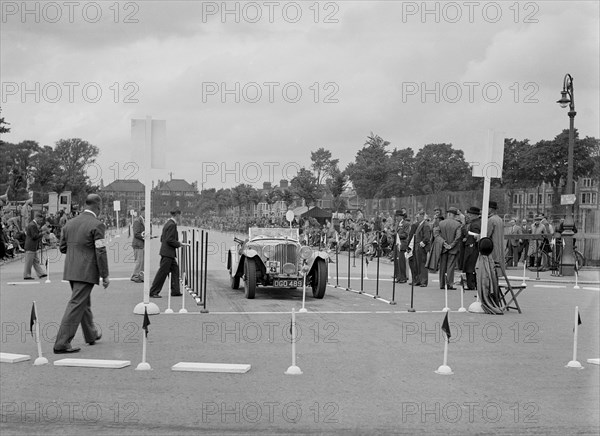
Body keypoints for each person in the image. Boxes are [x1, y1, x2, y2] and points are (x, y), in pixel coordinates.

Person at [54, 194, 109, 354]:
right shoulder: (97, 225)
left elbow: (63, 248)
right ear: (98, 206)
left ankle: (90, 334)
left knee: (82, 302)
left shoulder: (70, 223)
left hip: (71, 269)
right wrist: (104, 274)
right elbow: (100, 251)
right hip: (86, 270)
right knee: (77, 303)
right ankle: (62, 342)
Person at [150, 209, 185, 298]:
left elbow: (163, 238)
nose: (181, 218)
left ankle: (175, 290)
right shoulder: (172, 225)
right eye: (180, 216)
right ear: (177, 215)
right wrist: (178, 244)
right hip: (168, 253)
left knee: (175, 270)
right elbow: (170, 239)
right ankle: (154, 291)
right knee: (162, 273)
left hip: (167, 252)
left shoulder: (167, 224)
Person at [437, 207, 463, 290]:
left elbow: (436, 235)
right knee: (450, 267)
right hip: (453, 249)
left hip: (443, 248)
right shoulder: (458, 224)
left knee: (442, 266)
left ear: (448, 214)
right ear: (454, 215)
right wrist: (451, 245)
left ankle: (442, 284)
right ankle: (449, 284)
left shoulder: (441, 223)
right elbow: (458, 237)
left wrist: (444, 243)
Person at [408, 210, 431, 287]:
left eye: (419, 216)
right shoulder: (421, 224)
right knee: (418, 264)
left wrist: (423, 242)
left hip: (421, 247)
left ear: (422, 216)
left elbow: (427, 236)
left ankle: (423, 281)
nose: (417, 218)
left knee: (422, 264)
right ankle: (419, 280)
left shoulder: (425, 225)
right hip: (417, 246)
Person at [23, 211, 48, 280]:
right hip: (30, 246)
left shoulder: (33, 224)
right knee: (29, 262)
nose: (41, 221)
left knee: (36, 261)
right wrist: (42, 233)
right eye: (40, 220)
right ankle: (27, 275)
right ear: (36, 218)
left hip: (33, 246)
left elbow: (35, 234)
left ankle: (41, 273)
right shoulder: (32, 225)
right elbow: (34, 236)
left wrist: (40, 230)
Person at [463, 206, 482, 290]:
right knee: (472, 266)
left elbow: (476, 236)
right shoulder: (479, 222)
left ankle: (471, 284)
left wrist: (469, 235)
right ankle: (473, 284)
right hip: (474, 246)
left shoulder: (474, 224)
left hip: (472, 247)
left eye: (470, 215)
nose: (469, 216)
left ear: (474, 215)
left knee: (470, 265)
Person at [487, 201, 505, 271]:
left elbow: (487, 235)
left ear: (490, 209)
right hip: (499, 247)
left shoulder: (491, 220)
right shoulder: (500, 219)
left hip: (493, 247)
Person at [393, 211, 410, 283]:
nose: (396, 218)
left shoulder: (406, 224)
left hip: (402, 244)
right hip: (397, 244)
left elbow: (406, 234)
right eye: (396, 216)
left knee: (401, 262)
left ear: (401, 216)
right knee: (396, 262)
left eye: (397, 216)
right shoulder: (397, 224)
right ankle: (398, 277)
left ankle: (403, 277)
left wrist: (397, 235)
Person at [130, 207, 146, 283]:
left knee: (142, 261)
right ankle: (135, 275)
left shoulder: (143, 221)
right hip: (138, 244)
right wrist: (144, 237)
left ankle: (140, 276)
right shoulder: (137, 221)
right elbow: (136, 233)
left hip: (141, 244)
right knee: (139, 261)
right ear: (142, 212)